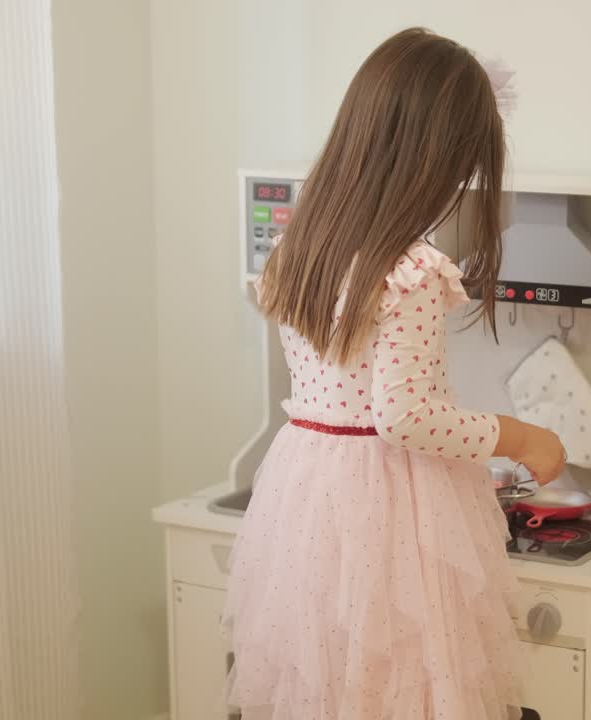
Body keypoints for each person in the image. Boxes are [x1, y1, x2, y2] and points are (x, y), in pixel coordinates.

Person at [222, 27, 566, 720]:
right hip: (389, 500)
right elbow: (405, 417)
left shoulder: (300, 247)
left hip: (308, 490)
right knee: (407, 681)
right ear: (435, 157)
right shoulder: (408, 269)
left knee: (328, 679)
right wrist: (517, 435)